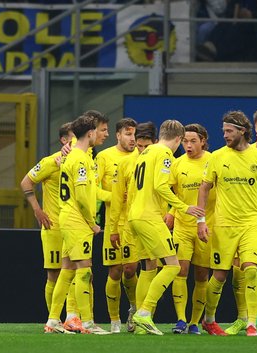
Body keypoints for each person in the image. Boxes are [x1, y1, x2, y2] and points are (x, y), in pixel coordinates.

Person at [197, 110, 257, 337]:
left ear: (242, 131)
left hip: (250, 224)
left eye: (229, 131)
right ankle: (209, 320)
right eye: (223, 131)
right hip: (224, 226)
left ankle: (252, 323)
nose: (224, 135)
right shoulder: (217, 156)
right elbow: (204, 189)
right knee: (220, 276)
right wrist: (201, 221)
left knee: (251, 271)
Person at [126, 120, 205, 335]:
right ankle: (144, 313)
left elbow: (132, 187)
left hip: (135, 215)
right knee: (173, 265)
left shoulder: (145, 153)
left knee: (148, 267)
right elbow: (161, 186)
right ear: (178, 139)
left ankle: (141, 326)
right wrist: (183, 207)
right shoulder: (164, 155)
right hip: (149, 217)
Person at [44, 114, 110, 335]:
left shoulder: (72, 156)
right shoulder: (80, 159)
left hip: (67, 217)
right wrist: (92, 223)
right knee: (84, 271)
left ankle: (53, 320)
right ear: (90, 133)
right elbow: (82, 197)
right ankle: (88, 323)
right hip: (77, 221)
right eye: (99, 131)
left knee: (67, 270)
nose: (102, 135)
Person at [165, 123, 215, 335]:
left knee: (202, 276)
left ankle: (195, 321)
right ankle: (181, 319)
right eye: (185, 141)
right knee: (180, 270)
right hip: (183, 226)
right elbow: (171, 193)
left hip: (207, 226)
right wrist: (171, 212)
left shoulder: (213, 160)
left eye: (193, 141)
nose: (188, 145)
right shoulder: (177, 164)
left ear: (203, 141)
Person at [20, 122, 74, 315]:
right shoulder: (51, 161)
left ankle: (73, 318)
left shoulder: (81, 161)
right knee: (55, 273)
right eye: (73, 136)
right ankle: (54, 318)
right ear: (64, 140)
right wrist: (37, 210)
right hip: (54, 225)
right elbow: (26, 182)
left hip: (74, 225)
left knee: (78, 273)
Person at [109, 121, 158, 333]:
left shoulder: (162, 160)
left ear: (155, 143)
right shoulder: (126, 163)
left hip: (153, 221)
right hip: (129, 224)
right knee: (129, 269)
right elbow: (117, 197)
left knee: (151, 266)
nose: (141, 150)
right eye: (139, 146)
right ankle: (134, 309)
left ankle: (144, 318)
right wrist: (112, 228)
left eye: (146, 146)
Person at [95, 118, 137, 333]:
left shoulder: (141, 157)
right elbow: (92, 189)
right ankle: (114, 320)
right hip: (113, 223)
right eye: (128, 134)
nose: (132, 139)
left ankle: (133, 309)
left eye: (134, 134)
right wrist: (114, 196)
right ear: (118, 135)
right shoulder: (104, 157)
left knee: (130, 269)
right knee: (114, 271)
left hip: (135, 224)